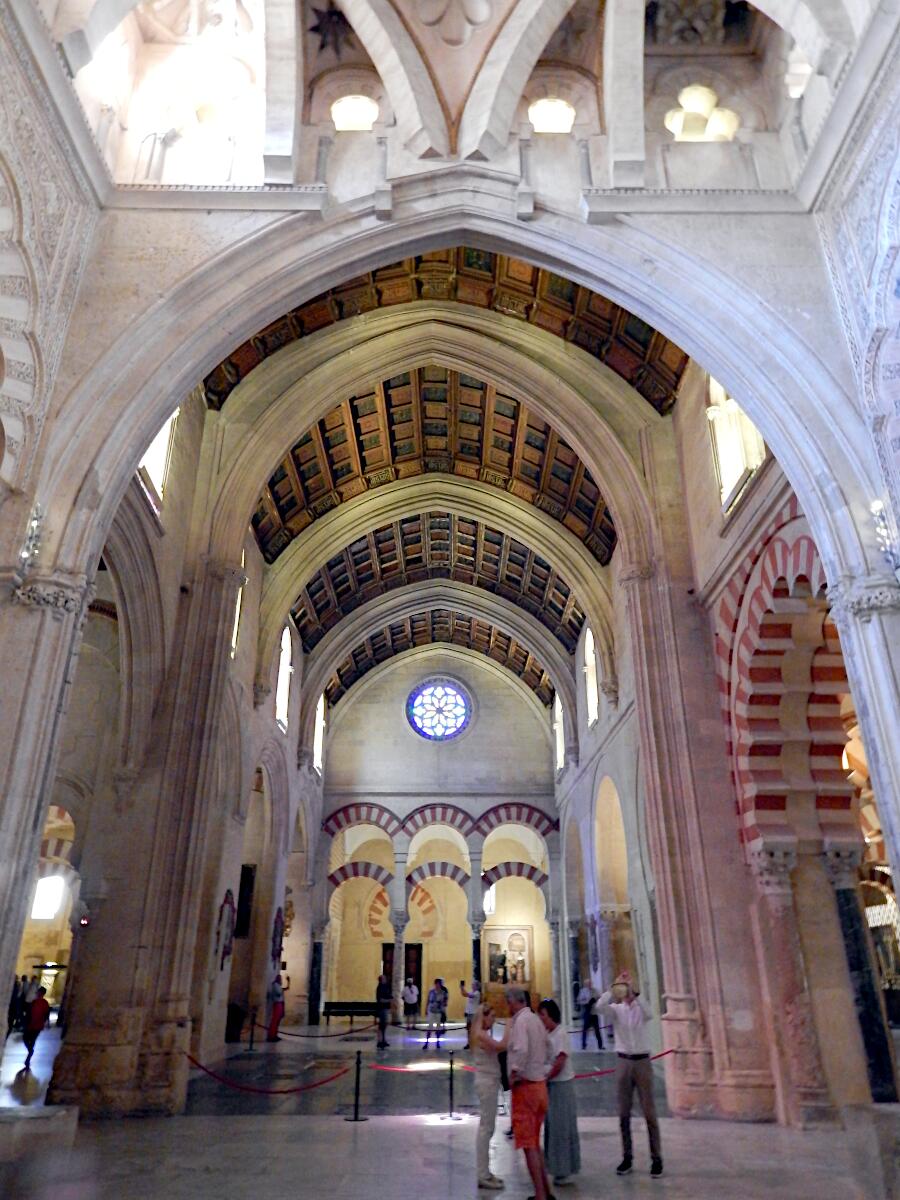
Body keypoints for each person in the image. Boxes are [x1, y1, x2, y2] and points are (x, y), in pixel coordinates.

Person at [594, 970, 662, 1179]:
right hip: (624, 1061)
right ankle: (627, 1157)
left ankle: (656, 1158)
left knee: (649, 1112)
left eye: (627, 989)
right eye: (624, 990)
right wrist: (612, 988)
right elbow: (599, 1007)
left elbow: (650, 1013)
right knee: (624, 1113)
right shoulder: (616, 1010)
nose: (626, 992)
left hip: (642, 1061)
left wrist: (636, 993)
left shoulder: (641, 1008)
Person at [506, 986, 553, 1200]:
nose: (507, 1006)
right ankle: (545, 1190)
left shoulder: (521, 1021)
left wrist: (515, 1073)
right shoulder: (535, 1020)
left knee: (528, 1144)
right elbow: (549, 1048)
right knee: (534, 1142)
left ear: (515, 1002)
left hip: (526, 1088)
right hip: (540, 1086)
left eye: (509, 1002)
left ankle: (540, 1195)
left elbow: (521, 1050)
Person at [539, 998, 581, 1187]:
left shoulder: (560, 1033)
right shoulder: (547, 1033)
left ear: (551, 1016)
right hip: (551, 1085)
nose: (541, 1019)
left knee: (561, 1127)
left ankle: (564, 1169)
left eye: (543, 1015)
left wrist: (545, 1076)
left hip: (561, 1085)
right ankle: (554, 1166)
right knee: (553, 1127)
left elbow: (560, 1060)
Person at [471, 1002, 508, 1190]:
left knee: (489, 1127)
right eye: (492, 1016)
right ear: (483, 1017)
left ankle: (485, 1171)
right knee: (486, 1128)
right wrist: (510, 1027)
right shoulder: (481, 1036)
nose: (494, 1020)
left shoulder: (483, 1034)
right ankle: (483, 1174)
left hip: (490, 1082)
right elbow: (501, 1046)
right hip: (486, 1084)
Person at [22, 985, 50, 1069]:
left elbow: (29, 1014)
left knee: (26, 1038)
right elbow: (46, 1014)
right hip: (37, 1025)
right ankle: (30, 1053)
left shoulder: (35, 1002)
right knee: (31, 1039)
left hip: (33, 1024)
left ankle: (30, 1052)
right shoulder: (44, 1003)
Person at [576, 982, 603, 1050]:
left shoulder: (595, 990)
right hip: (587, 1012)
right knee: (585, 1030)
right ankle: (583, 1044)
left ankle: (600, 1045)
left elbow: (600, 997)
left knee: (597, 1030)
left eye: (590, 983)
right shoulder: (583, 991)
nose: (589, 985)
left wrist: (595, 1000)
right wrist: (586, 1002)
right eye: (588, 984)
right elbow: (579, 1000)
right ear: (585, 984)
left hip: (594, 1013)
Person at [423, 977, 446, 1049]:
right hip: (431, 1011)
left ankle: (438, 1043)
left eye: (439, 984)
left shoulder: (443, 992)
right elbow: (428, 1000)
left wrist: (442, 1008)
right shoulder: (431, 992)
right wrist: (426, 1009)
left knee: (438, 1028)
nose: (437, 985)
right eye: (436, 984)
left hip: (438, 1012)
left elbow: (444, 1002)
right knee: (429, 1027)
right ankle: (426, 1043)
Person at [461, 978, 481, 1048]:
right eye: (472, 985)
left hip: (474, 1014)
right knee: (468, 1029)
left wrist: (463, 988)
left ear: (477, 986)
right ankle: (469, 1043)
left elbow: (466, 994)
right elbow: (464, 994)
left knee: (473, 1030)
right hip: (469, 1013)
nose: (472, 986)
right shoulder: (472, 992)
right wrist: (461, 988)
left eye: (473, 985)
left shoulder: (477, 993)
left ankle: (474, 1043)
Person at [266, 973, 285, 1042]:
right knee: (275, 1020)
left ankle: (275, 1034)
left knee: (277, 1020)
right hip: (277, 1003)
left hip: (279, 1003)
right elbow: (278, 993)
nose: (281, 980)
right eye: (280, 978)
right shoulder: (275, 985)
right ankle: (271, 1035)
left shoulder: (278, 985)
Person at [375, 973, 392, 1049]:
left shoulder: (385, 987)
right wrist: (389, 1000)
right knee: (381, 1026)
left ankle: (383, 1040)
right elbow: (381, 999)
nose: (385, 980)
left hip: (386, 1008)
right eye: (384, 978)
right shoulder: (380, 988)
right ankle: (379, 1041)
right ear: (381, 980)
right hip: (382, 1008)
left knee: (384, 1026)